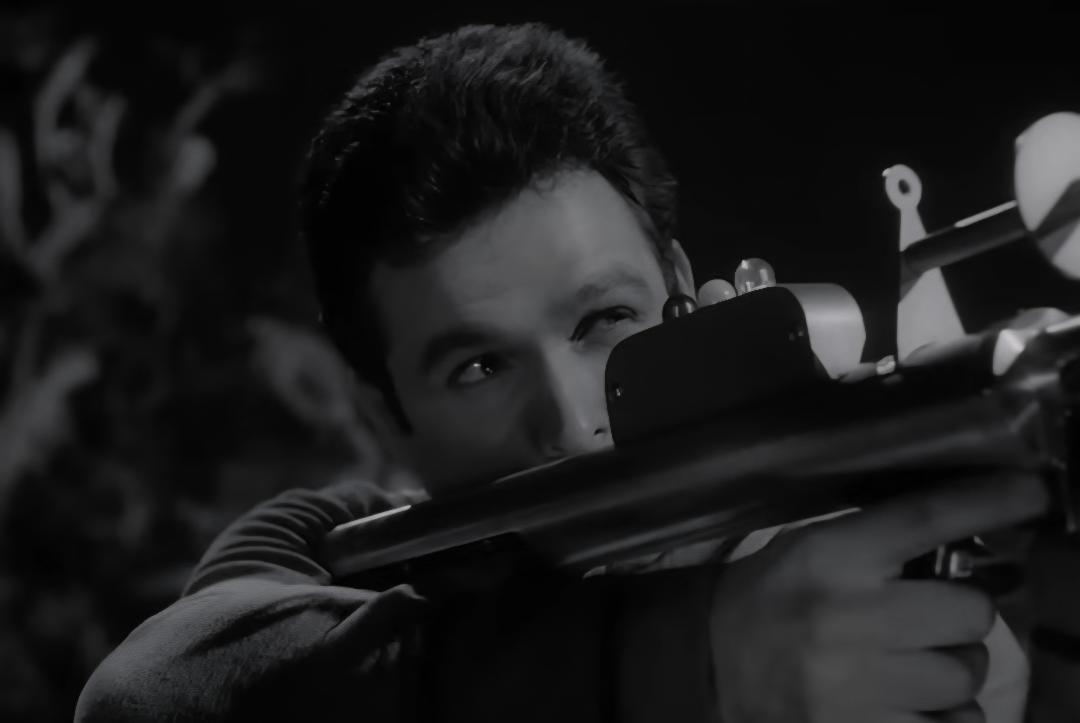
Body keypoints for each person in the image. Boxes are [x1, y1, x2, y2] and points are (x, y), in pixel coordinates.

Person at [76, 21, 1047, 723]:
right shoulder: (336, 555)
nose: (572, 419)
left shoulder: (831, 500)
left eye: (604, 321)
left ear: (680, 288)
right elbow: (148, 690)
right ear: (383, 413)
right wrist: (708, 656)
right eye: (479, 366)